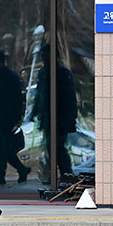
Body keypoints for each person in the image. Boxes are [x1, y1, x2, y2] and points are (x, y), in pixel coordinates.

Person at [0, 50, 31, 185]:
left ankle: (2, 174)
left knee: (3, 147)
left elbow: (18, 99)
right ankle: (20, 169)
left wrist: (17, 117)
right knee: (3, 147)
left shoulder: (11, 77)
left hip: (7, 117)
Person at [31, 43, 78, 181]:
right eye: (42, 55)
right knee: (52, 147)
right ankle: (59, 175)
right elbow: (40, 95)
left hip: (60, 117)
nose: (43, 57)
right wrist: (35, 112)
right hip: (47, 116)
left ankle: (66, 175)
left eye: (46, 54)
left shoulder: (62, 72)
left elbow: (69, 98)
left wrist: (70, 119)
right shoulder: (43, 72)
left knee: (58, 148)